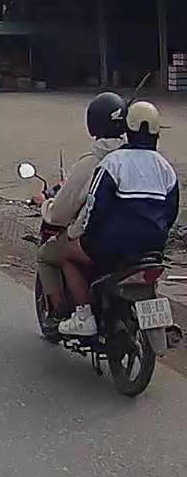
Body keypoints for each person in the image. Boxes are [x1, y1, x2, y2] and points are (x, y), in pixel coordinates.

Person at [58, 100, 179, 336]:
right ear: (157, 132)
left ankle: (84, 316)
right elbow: (171, 211)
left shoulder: (112, 163)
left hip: (113, 246)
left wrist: (85, 234)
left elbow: (95, 207)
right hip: (153, 248)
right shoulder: (166, 168)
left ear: (128, 129)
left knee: (66, 255)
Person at [31, 92, 128, 318]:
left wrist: (46, 205)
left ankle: (66, 314)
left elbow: (61, 212)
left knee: (49, 255)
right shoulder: (138, 157)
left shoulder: (93, 162)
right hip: (142, 240)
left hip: (100, 240)